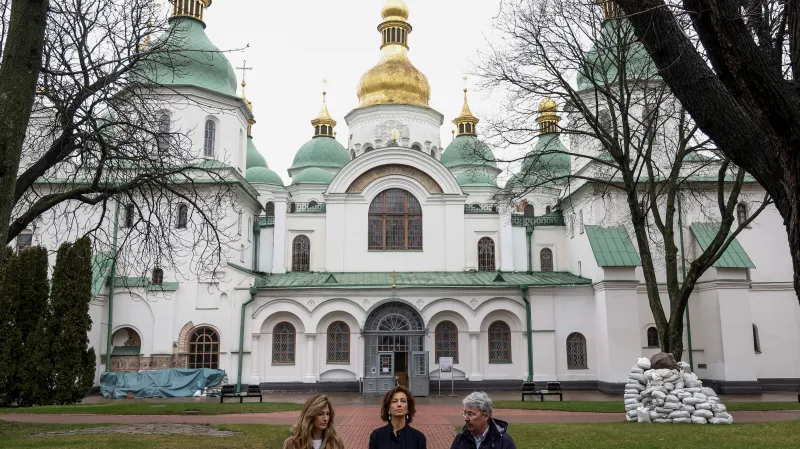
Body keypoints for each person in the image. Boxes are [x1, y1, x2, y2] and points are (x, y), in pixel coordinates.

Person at [450, 391, 516, 449]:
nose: (466, 419)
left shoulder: (504, 442)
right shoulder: (460, 438)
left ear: (486, 415)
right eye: (465, 413)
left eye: (470, 414)